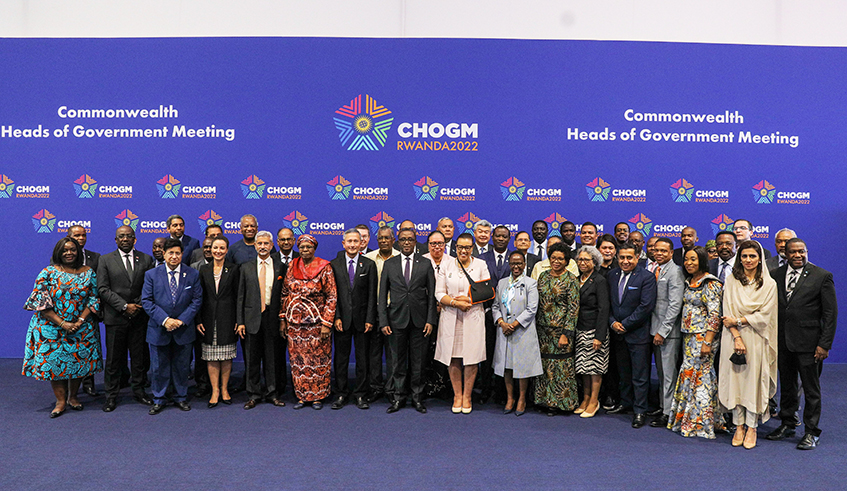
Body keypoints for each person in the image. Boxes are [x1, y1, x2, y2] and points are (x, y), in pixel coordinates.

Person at [766, 239, 837, 450]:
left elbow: (830, 314)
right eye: (793, 252)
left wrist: (824, 345)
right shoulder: (775, 275)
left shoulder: (821, 276)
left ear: (806, 252)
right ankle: (788, 424)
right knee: (787, 387)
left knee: (810, 389)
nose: (798, 255)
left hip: (810, 344)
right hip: (783, 342)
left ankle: (811, 432)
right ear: (785, 254)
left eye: (802, 251)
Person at [23, 237, 103, 418]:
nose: (69, 253)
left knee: (77, 362)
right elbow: (40, 302)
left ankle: (73, 397)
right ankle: (60, 401)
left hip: (81, 328)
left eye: (73, 250)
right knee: (56, 365)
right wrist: (62, 323)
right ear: (58, 252)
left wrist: (80, 321)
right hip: (51, 327)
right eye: (65, 250)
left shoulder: (88, 272)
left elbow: (93, 299)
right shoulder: (48, 272)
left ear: (78, 252)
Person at [718, 240, 778, 449]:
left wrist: (740, 321)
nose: (748, 260)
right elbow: (727, 314)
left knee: (753, 383)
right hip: (733, 338)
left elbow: (765, 316)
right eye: (744, 256)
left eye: (752, 256)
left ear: (760, 258)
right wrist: (736, 335)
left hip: (758, 337)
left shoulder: (769, 284)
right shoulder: (732, 280)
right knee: (736, 382)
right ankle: (739, 426)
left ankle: (752, 427)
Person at [141, 238, 203, 415]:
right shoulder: (151, 274)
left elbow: (197, 300)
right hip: (159, 328)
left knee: (182, 366)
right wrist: (165, 320)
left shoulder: (192, 274)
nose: (174, 257)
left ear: (182, 254)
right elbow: (146, 301)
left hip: (183, 329)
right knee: (159, 366)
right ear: (164, 254)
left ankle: (181, 397)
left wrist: (181, 320)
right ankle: (159, 398)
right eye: (171, 253)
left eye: (177, 253)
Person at [97, 226, 155, 411]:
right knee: (114, 360)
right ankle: (111, 396)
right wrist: (124, 306)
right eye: (121, 236)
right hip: (115, 317)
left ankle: (139, 391)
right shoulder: (105, 260)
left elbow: (149, 286)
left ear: (135, 239)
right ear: (116, 240)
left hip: (139, 317)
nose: (125, 239)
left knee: (139, 359)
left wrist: (136, 305)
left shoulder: (146, 259)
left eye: (129, 236)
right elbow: (103, 289)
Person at [379, 228, 438, 414]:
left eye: (410, 240)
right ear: (398, 242)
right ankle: (398, 397)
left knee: (418, 362)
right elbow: (382, 296)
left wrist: (430, 320)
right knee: (397, 362)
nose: (406, 243)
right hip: (396, 321)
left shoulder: (426, 264)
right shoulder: (390, 264)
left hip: (420, 321)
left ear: (415, 242)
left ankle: (418, 398)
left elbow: (431, 297)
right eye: (403, 239)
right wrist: (383, 321)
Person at [668, 246, 724, 438]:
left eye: (693, 259)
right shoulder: (689, 281)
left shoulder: (711, 283)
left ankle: (701, 424)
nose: (688, 263)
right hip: (688, 336)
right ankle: (689, 419)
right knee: (690, 375)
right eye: (686, 260)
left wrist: (708, 341)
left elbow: (715, 315)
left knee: (701, 377)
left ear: (702, 260)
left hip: (703, 337)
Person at [435, 233, 490, 414]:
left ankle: (467, 396)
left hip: (473, 316)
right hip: (451, 316)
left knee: (471, 359)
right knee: (453, 357)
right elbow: (439, 292)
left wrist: (468, 300)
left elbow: (487, 292)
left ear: (472, 248)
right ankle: (457, 395)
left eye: (467, 247)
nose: (463, 250)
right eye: (460, 247)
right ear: (455, 247)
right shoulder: (446, 264)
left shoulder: (480, 265)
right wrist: (454, 302)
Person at [281, 234, 337, 409]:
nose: (305, 250)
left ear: (314, 249)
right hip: (295, 325)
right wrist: (283, 318)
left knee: (318, 361)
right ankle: (302, 396)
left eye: (308, 247)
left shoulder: (324, 267)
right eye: (302, 247)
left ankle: (318, 396)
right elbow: (285, 293)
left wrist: (327, 324)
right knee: (298, 361)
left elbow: (332, 296)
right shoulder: (291, 265)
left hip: (317, 325)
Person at [607, 242, 657, 428]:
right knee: (624, 373)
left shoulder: (647, 277)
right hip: (617, 334)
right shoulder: (612, 275)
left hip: (638, 335)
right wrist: (612, 322)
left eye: (629, 257)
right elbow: (609, 304)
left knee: (640, 375)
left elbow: (646, 307)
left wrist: (625, 325)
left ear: (637, 258)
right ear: (617, 258)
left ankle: (639, 410)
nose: (625, 261)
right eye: (622, 257)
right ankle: (625, 403)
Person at [237, 231, 288, 409]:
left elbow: (284, 295)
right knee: (251, 359)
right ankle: (253, 394)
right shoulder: (246, 267)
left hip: (272, 317)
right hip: (251, 318)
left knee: (272, 358)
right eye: (259, 244)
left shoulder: (280, 266)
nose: (263, 247)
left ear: (272, 245)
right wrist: (240, 321)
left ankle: (272, 393)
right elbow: (240, 297)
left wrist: (283, 318)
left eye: (266, 243)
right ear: (255, 246)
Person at [330, 229, 378, 410]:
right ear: (343, 244)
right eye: (349, 241)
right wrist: (337, 317)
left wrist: (370, 319)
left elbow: (372, 294)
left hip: (362, 321)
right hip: (341, 320)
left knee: (362, 359)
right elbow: (332, 295)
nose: (352, 245)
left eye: (355, 241)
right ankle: (341, 393)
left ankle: (360, 394)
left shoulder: (369, 264)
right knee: (340, 360)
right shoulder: (334, 264)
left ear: (361, 244)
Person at [492, 251, 543, 416]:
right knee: (506, 367)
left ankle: (521, 399)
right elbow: (495, 307)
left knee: (522, 367)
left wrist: (513, 324)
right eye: (513, 263)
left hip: (522, 331)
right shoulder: (501, 283)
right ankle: (510, 398)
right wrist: (501, 322)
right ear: (509, 264)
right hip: (504, 331)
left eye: (519, 263)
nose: (516, 266)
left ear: (524, 264)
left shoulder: (531, 283)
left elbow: (532, 309)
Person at [534, 242, 580, 415]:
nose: (557, 261)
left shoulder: (571, 280)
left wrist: (566, 334)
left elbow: (573, 308)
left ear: (567, 261)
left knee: (561, 368)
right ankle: (543, 401)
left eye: (561, 259)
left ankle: (561, 404)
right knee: (544, 366)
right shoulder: (543, 276)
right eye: (553, 258)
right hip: (542, 331)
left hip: (561, 332)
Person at [195, 236, 239, 408]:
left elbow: (238, 297)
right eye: (215, 248)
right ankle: (215, 391)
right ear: (210, 250)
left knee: (226, 356)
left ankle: (225, 389)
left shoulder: (234, 269)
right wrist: (198, 319)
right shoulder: (203, 270)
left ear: (227, 250)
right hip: (208, 318)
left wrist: (239, 320)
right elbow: (198, 297)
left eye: (222, 248)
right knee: (211, 356)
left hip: (228, 318)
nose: (218, 251)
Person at [649, 238, 685, 428]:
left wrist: (662, 331)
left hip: (668, 333)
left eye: (664, 251)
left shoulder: (675, 272)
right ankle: (663, 405)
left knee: (669, 374)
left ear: (671, 253)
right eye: (657, 250)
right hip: (654, 329)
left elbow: (675, 305)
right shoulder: (655, 269)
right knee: (662, 373)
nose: (660, 253)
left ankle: (668, 412)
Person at [574, 246, 610, 419]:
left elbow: (604, 309)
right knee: (583, 368)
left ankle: (594, 401)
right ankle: (585, 399)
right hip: (579, 329)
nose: (582, 262)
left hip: (595, 330)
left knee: (595, 369)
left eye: (586, 260)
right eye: (580, 259)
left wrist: (599, 336)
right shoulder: (576, 279)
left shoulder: (599, 280)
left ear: (594, 262)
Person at [365, 226, 400, 402]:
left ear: (393, 240)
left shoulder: (401, 258)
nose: (384, 241)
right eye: (380, 238)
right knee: (374, 353)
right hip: (374, 312)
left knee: (393, 353)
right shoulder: (368, 259)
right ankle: (375, 388)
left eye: (387, 238)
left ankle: (392, 389)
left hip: (395, 311)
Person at [67, 225, 101, 397]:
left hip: (89, 313)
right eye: (77, 235)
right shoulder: (58, 258)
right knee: (67, 350)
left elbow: (98, 285)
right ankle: (67, 385)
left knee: (87, 349)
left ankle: (89, 384)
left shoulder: (95, 257)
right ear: (69, 236)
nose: (81, 238)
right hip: (66, 314)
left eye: (83, 235)